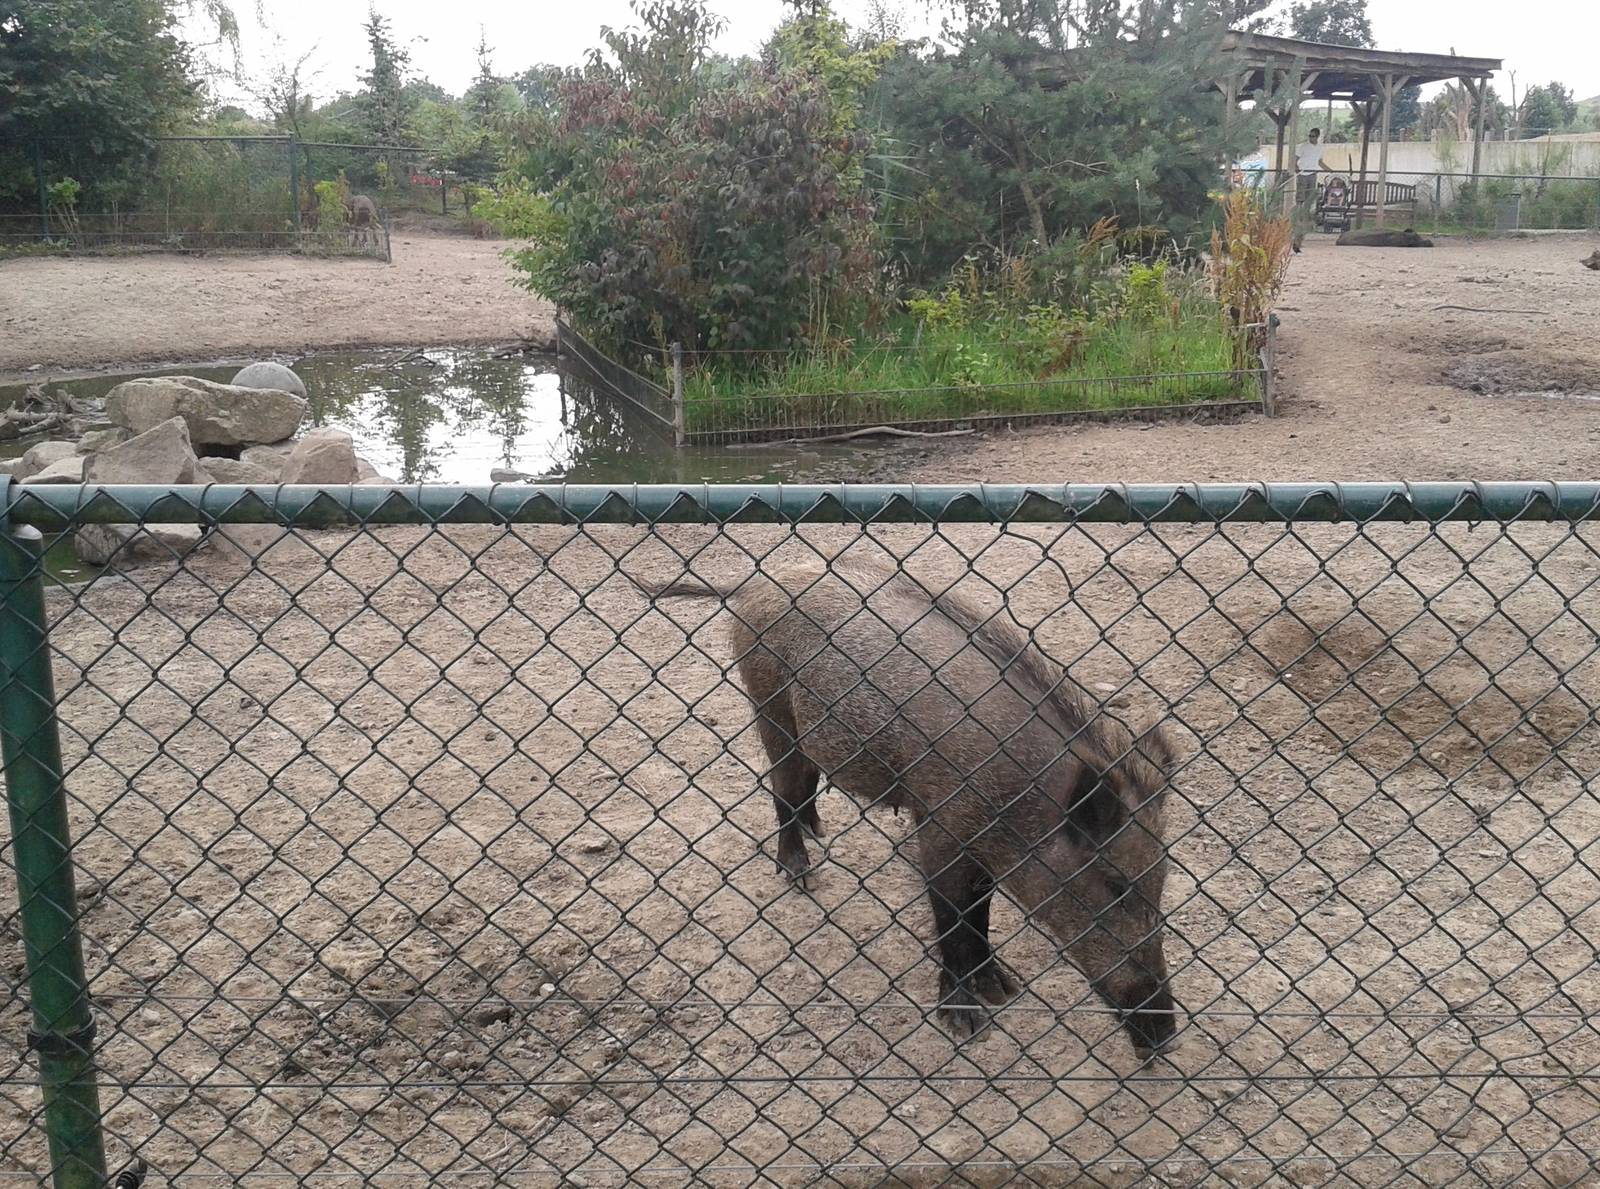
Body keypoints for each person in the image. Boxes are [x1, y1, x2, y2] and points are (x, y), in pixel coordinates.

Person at [1295, 127, 1326, 210]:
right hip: (1302, 173)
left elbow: (1320, 162)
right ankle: (1298, 212)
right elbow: (1296, 158)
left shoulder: (1320, 147)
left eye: (1313, 136)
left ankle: (1307, 212)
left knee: (1310, 196)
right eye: (1309, 136)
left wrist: (1330, 171)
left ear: (1317, 136)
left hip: (1313, 173)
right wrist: (1296, 167)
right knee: (1300, 195)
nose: (1310, 138)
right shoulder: (1303, 146)